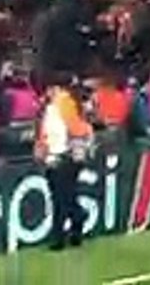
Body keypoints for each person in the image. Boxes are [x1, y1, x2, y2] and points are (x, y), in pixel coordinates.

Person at [35, 72, 94, 250]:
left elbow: (75, 128)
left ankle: (64, 231)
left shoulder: (63, 102)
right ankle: (71, 231)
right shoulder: (55, 105)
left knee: (61, 198)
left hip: (64, 156)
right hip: (58, 157)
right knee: (63, 198)